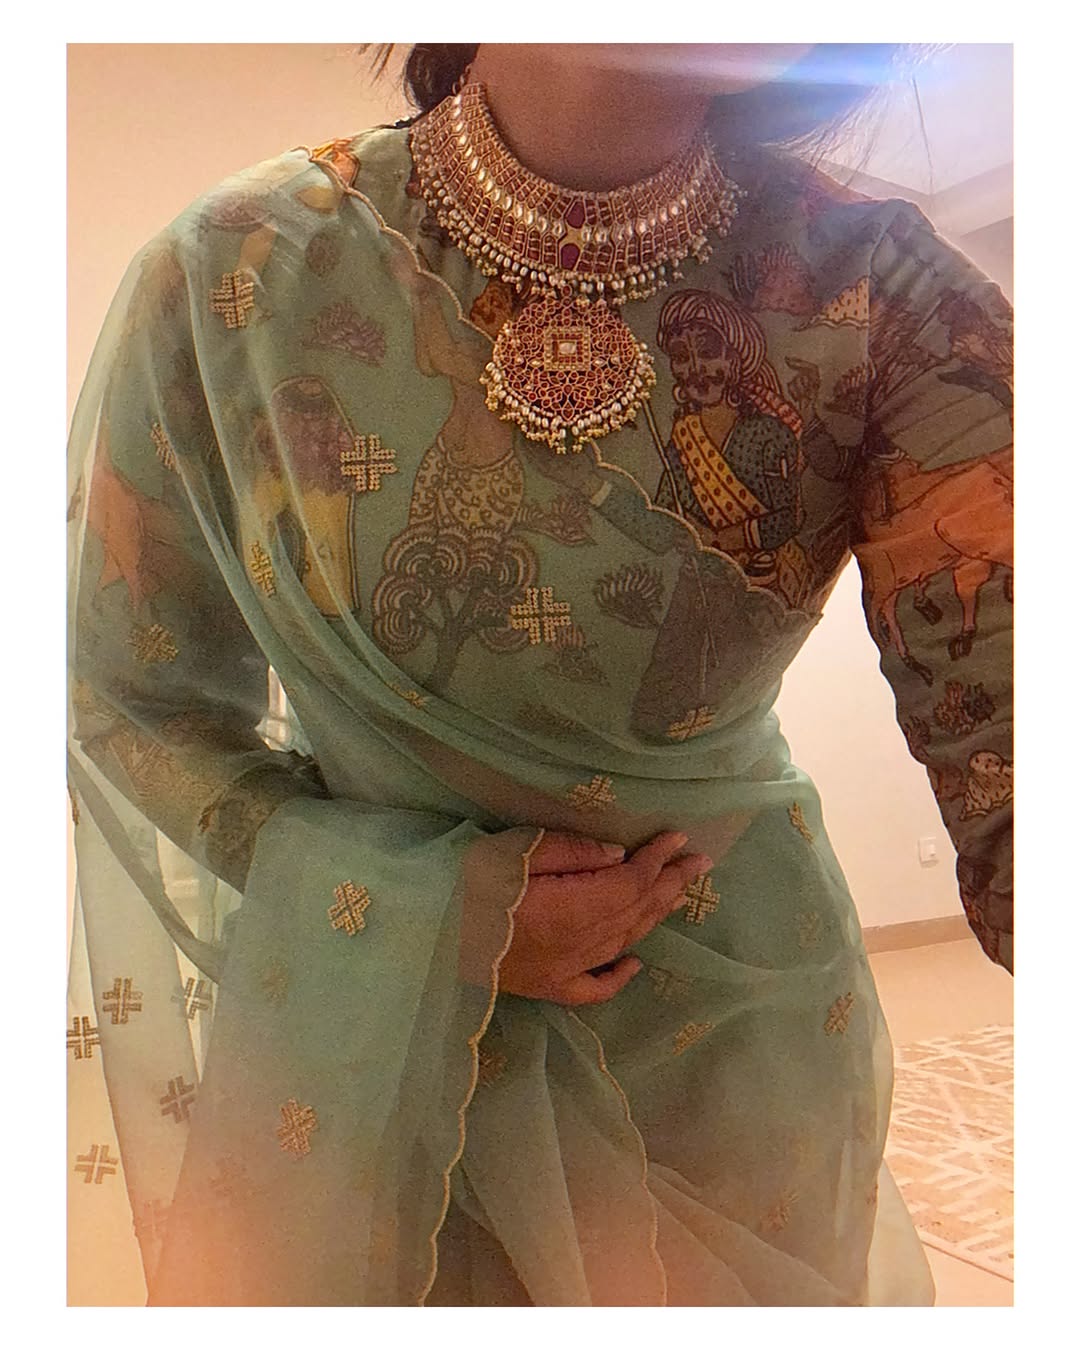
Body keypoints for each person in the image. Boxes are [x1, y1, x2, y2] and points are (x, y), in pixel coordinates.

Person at [66, 42, 1013, 1306]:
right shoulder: (229, 274)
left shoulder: (890, 298)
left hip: (735, 1066)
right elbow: (129, 695)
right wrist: (420, 910)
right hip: (375, 1057)